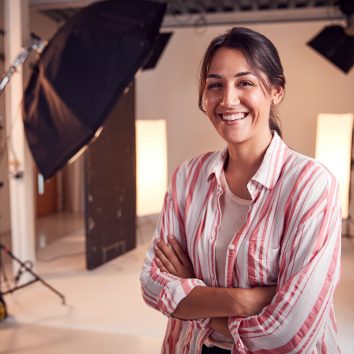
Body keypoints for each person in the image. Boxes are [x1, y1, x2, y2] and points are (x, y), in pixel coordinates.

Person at [140, 27, 341, 354]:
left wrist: (195, 298)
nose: (228, 99)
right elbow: (151, 284)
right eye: (215, 85)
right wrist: (246, 300)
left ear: (276, 90)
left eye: (245, 83)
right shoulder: (187, 178)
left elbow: (290, 331)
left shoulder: (311, 185)